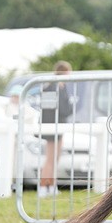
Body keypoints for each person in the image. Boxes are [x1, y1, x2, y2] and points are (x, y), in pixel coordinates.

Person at [38, 60, 73, 197]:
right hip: (53, 125)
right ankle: (43, 187)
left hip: (57, 125)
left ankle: (51, 185)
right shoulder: (54, 87)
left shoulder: (57, 86)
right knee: (50, 158)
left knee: (55, 158)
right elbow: (62, 109)